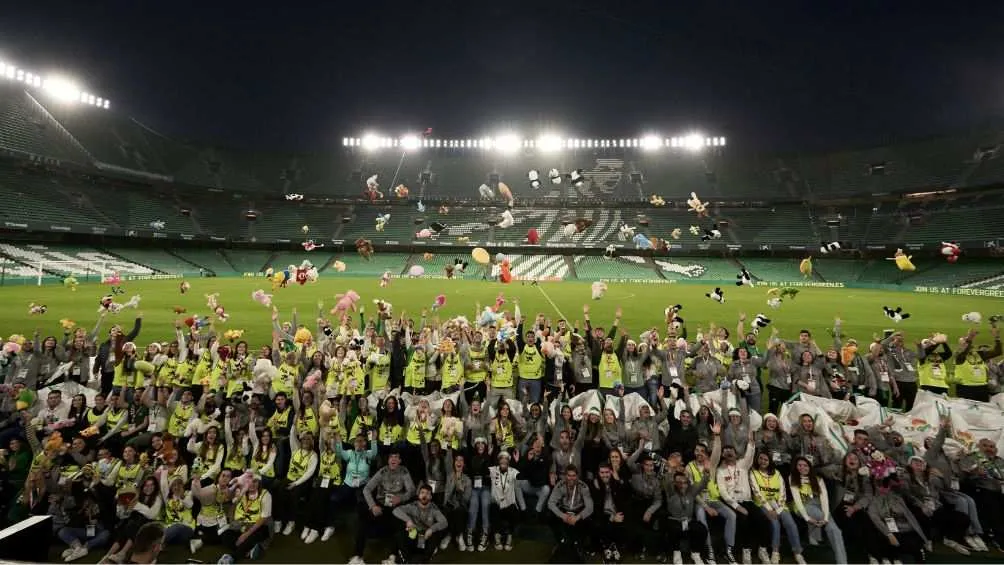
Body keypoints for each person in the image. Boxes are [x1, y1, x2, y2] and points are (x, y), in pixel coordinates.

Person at [392, 483, 448, 564]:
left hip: (425, 537)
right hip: (413, 535)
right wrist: (408, 520)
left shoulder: (434, 509)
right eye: (422, 493)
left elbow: (444, 522)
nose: (424, 495)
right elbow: (396, 510)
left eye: (427, 493)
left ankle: (422, 558)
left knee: (435, 536)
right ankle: (405, 559)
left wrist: (431, 529)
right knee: (399, 534)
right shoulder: (412, 506)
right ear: (419, 495)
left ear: (431, 497)